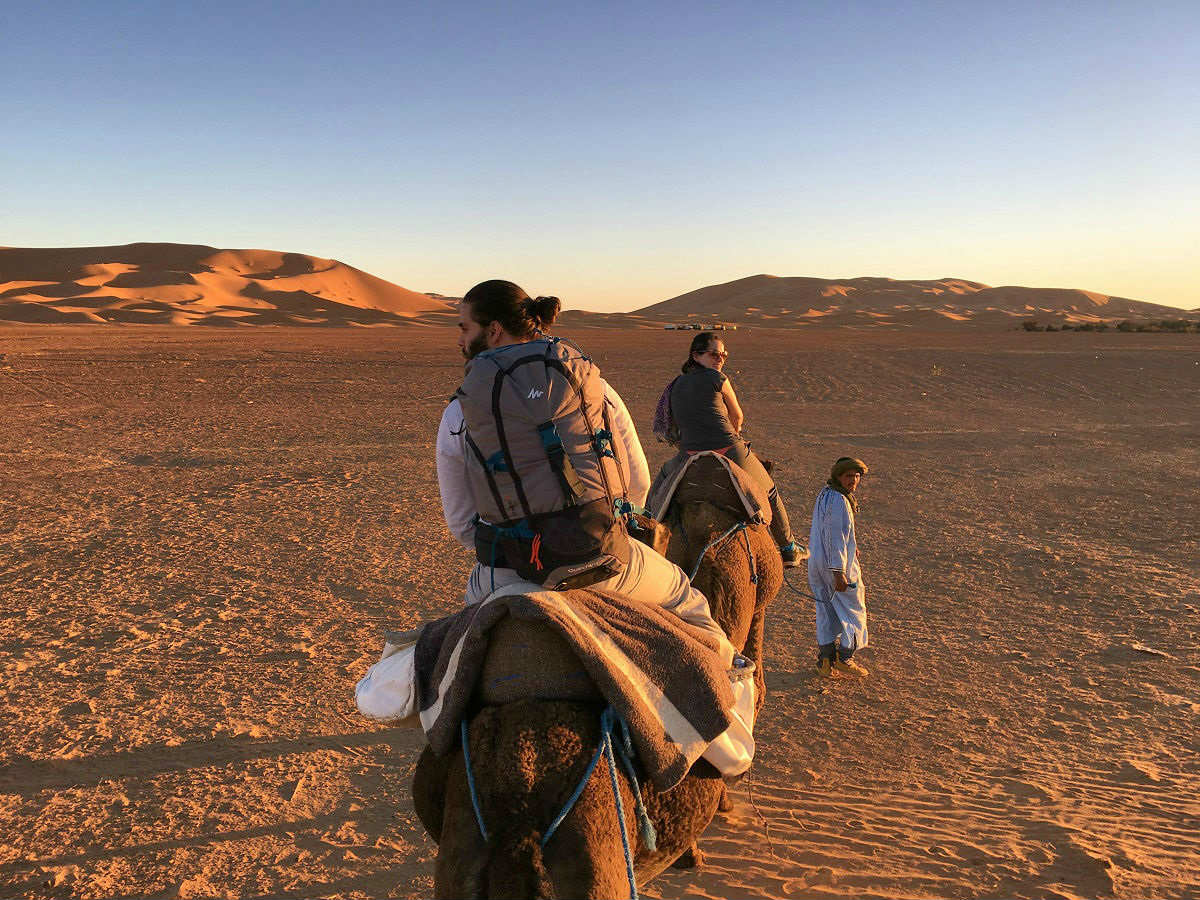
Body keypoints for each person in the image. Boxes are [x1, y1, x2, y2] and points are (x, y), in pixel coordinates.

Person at [435, 279, 737, 665]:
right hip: (602, 560)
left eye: (464, 328)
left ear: (493, 330)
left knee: (461, 658)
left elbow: (462, 525)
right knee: (686, 598)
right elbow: (638, 483)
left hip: (509, 571)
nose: (459, 339)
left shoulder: (459, 412)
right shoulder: (594, 388)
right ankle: (730, 690)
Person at [666, 332, 805, 567]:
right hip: (728, 449)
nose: (720, 358)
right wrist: (733, 432)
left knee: (661, 490)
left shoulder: (675, 385)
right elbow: (738, 416)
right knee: (769, 490)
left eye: (724, 355)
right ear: (696, 355)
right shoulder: (718, 378)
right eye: (714, 354)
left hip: (689, 455)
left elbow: (674, 424)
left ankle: (644, 536)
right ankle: (788, 548)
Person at [808, 457, 870, 677]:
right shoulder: (839, 501)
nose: (853, 481)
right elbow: (835, 537)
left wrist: (853, 547)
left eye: (856, 476)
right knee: (854, 611)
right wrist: (839, 572)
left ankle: (825, 661)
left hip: (817, 563)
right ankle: (845, 658)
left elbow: (833, 533)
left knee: (826, 610)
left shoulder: (826, 494)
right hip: (835, 568)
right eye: (848, 476)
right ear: (838, 476)